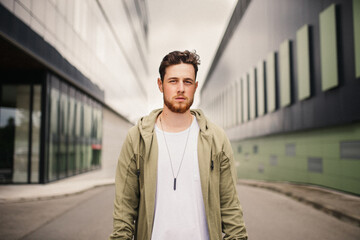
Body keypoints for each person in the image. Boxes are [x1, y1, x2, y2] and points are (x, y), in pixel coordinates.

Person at [109, 50, 248, 240]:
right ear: (160, 85)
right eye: (173, 81)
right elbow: (124, 213)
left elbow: (231, 209)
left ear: (195, 86)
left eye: (187, 82)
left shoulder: (216, 139)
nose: (181, 88)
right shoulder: (137, 139)